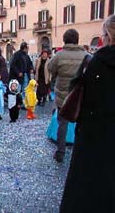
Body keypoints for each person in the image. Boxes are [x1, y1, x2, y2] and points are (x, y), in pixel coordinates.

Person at [59, 14, 115, 213]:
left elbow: (83, 96)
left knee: (86, 187)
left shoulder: (96, 62)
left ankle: (60, 150)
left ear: (108, 35)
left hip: (94, 133)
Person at [48, 29, 86, 163]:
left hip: (62, 97)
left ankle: (60, 152)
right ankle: (80, 154)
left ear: (64, 40)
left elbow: (50, 69)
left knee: (62, 125)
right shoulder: (86, 55)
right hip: (80, 97)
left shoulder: (59, 55)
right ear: (77, 40)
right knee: (80, 126)